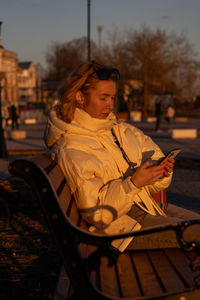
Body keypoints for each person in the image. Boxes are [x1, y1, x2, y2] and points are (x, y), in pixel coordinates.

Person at [44, 61, 199, 251]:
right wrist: (133, 184)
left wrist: (160, 172)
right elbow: (98, 214)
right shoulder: (71, 147)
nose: (110, 104)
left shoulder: (120, 130)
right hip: (121, 228)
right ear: (80, 97)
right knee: (196, 233)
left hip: (146, 206)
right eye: (103, 98)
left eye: (113, 98)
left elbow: (152, 176)